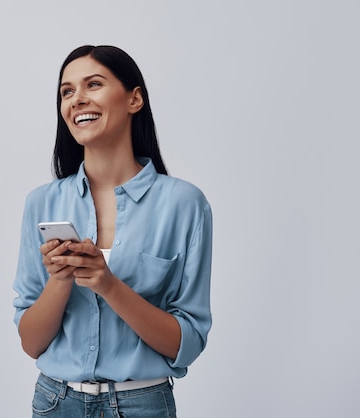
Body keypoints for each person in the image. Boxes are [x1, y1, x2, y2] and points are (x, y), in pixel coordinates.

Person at [13, 45, 212, 418]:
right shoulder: (41, 203)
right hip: (55, 402)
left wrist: (107, 284)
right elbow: (31, 342)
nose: (77, 99)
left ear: (134, 98)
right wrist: (60, 280)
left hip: (143, 405)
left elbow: (187, 344)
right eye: (67, 91)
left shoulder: (184, 204)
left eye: (94, 84)